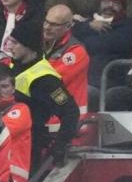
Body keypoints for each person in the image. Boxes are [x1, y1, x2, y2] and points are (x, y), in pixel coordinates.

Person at [8, 20, 79, 168]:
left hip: (31, 145)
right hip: (10, 139)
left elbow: (70, 111)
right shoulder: (15, 64)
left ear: (29, 46)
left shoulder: (46, 80)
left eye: (15, 43)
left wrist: (59, 145)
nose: (10, 47)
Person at [72, 0, 132, 110]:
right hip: (87, 80)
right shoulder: (87, 24)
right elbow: (70, 34)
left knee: (99, 95)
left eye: (116, 2)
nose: (110, 5)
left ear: (123, 6)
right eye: (106, 1)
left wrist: (91, 33)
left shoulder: (130, 25)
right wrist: (88, 26)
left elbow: (113, 44)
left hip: (114, 81)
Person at [43, 5, 90, 128]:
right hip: (47, 117)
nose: (47, 27)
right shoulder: (39, 44)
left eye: (54, 24)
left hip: (67, 122)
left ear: (68, 26)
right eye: (46, 22)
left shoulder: (76, 52)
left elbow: (49, 82)